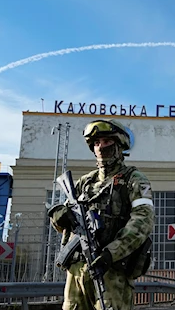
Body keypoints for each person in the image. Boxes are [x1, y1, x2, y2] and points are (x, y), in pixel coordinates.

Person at [48, 119, 155, 310]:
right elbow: (62, 223)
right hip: (76, 272)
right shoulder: (83, 183)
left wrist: (110, 253)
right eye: (96, 143)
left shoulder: (134, 179)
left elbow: (142, 222)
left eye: (106, 142)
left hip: (110, 271)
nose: (100, 147)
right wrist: (58, 217)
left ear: (119, 144)